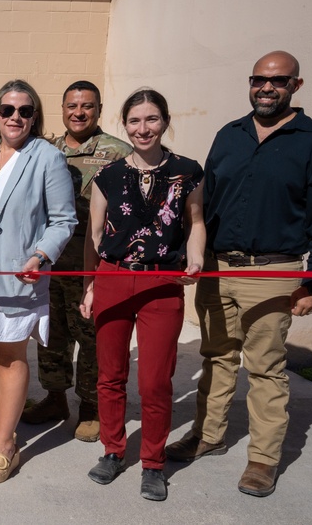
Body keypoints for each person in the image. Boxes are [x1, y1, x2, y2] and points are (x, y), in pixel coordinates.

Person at [165, 50, 312, 497]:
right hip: (217, 268)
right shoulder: (230, 134)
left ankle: (263, 459)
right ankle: (208, 436)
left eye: (278, 81)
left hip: (274, 270)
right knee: (217, 358)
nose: (267, 88)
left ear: (295, 86)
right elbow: (202, 204)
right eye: (259, 80)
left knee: (265, 368)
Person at [80, 88, 205, 501]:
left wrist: (196, 257)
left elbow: (196, 222)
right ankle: (113, 451)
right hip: (113, 278)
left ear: (165, 121)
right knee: (110, 375)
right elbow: (93, 237)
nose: (143, 128)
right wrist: (91, 284)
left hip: (161, 283)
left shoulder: (188, 172)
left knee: (155, 381)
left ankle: (153, 462)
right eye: (134, 121)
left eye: (151, 119)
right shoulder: (108, 175)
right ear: (125, 124)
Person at [0, 80, 77, 485]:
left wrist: (41, 256)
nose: (16, 118)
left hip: (20, 271)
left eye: (25, 111)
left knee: (11, 353)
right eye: (8, 110)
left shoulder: (47, 157)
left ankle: (7, 442)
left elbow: (64, 220)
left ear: (35, 117)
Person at [22, 81, 131, 442]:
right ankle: (54, 398)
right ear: (63, 109)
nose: (78, 113)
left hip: (92, 265)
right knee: (50, 335)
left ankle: (90, 405)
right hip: (50, 262)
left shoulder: (118, 154)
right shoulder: (43, 149)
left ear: (99, 109)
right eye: (72, 106)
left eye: (86, 106)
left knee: (92, 338)